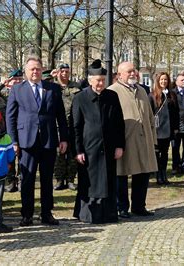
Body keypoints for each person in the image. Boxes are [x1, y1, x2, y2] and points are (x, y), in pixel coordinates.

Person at [6, 56, 68, 226]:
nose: (35, 72)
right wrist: (14, 141)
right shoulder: (17, 90)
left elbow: (61, 116)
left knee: (47, 179)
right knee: (27, 179)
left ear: (42, 70)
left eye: (38, 69)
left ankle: (46, 213)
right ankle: (27, 215)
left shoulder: (53, 89)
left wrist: (64, 138)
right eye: (32, 69)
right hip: (26, 141)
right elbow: (10, 117)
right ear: (26, 72)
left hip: (48, 140)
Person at [72, 60, 125, 224]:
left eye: (103, 80)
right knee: (89, 182)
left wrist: (120, 146)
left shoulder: (112, 96)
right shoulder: (80, 98)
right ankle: (88, 214)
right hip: (89, 148)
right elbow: (76, 126)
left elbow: (119, 123)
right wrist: (78, 150)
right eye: (98, 80)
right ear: (90, 81)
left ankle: (108, 214)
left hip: (109, 147)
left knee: (108, 179)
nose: (101, 83)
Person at [107, 62, 158, 218]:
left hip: (144, 140)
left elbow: (150, 116)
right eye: (129, 71)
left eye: (134, 71)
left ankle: (139, 206)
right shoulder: (112, 91)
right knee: (121, 175)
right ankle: (121, 207)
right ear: (119, 74)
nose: (133, 74)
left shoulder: (142, 90)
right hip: (125, 140)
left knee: (143, 173)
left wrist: (153, 139)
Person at [52, 63, 81, 191]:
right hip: (57, 125)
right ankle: (59, 180)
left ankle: (70, 180)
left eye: (67, 71)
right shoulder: (52, 86)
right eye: (62, 71)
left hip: (73, 124)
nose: (64, 74)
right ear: (57, 72)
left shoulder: (76, 86)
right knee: (59, 154)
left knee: (72, 153)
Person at [0, 69, 24, 193]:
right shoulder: (4, 94)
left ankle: (22, 180)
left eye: (19, 79)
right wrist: (3, 84)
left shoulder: (25, 91)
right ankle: (10, 181)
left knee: (23, 156)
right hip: (8, 129)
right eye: (14, 79)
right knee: (10, 155)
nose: (17, 81)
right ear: (9, 81)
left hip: (23, 129)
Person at [149, 72, 179, 185]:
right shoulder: (152, 95)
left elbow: (176, 112)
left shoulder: (172, 95)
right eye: (161, 80)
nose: (163, 82)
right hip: (157, 129)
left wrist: (176, 128)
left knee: (165, 153)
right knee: (157, 154)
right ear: (157, 81)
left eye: (165, 79)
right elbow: (150, 112)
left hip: (168, 129)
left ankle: (164, 174)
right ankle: (158, 176)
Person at [171, 73, 184, 175]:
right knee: (175, 147)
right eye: (182, 80)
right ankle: (176, 166)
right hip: (176, 124)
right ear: (176, 81)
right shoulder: (172, 93)